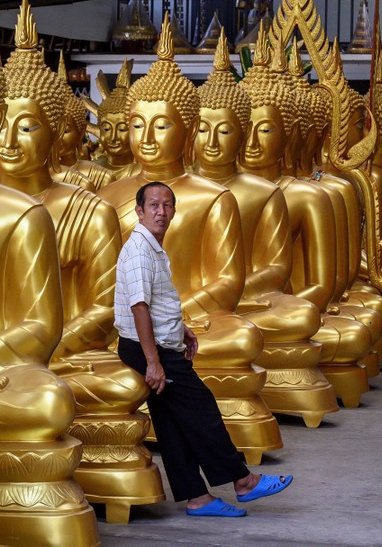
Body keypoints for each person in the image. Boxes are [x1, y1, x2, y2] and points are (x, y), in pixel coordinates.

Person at [114, 180, 293, 517]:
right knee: (202, 411)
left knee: (172, 422)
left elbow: (153, 301)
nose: (161, 212)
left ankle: (196, 497)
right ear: (138, 211)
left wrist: (180, 327)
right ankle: (243, 481)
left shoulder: (152, 247)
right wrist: (154, 363)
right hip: (147, 348)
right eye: (153, 205)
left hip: (155, 343)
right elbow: (138, 306)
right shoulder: (139, 249)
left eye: (167, 205)